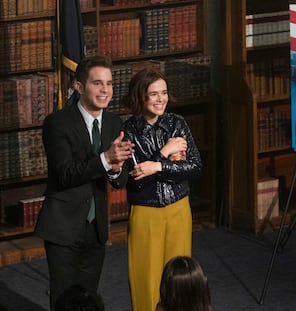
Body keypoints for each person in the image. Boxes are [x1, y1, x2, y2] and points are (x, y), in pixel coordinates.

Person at [34, 55, 133, 310]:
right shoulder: (57, 123)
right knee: (65, 300)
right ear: (79, 87)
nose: (105, 90)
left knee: (88, 300)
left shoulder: (113, 123)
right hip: (63, 226)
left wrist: (115, 168)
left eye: (109, 84)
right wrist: (105, 159)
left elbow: (120, 181)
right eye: (97, 83)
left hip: (96, 227)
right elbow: (66, 174)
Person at [121, 67, 202, 311]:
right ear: (140, 97)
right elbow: (138, 180)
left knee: (180, 280)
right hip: (146, 213)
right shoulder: (128, 131)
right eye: (153, 94)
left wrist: (155, 165)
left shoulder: (177, 123)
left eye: (164, 92)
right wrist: (165, 154)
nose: (161, 99)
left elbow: (195, 167)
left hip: (179, 208)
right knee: (147, 279)